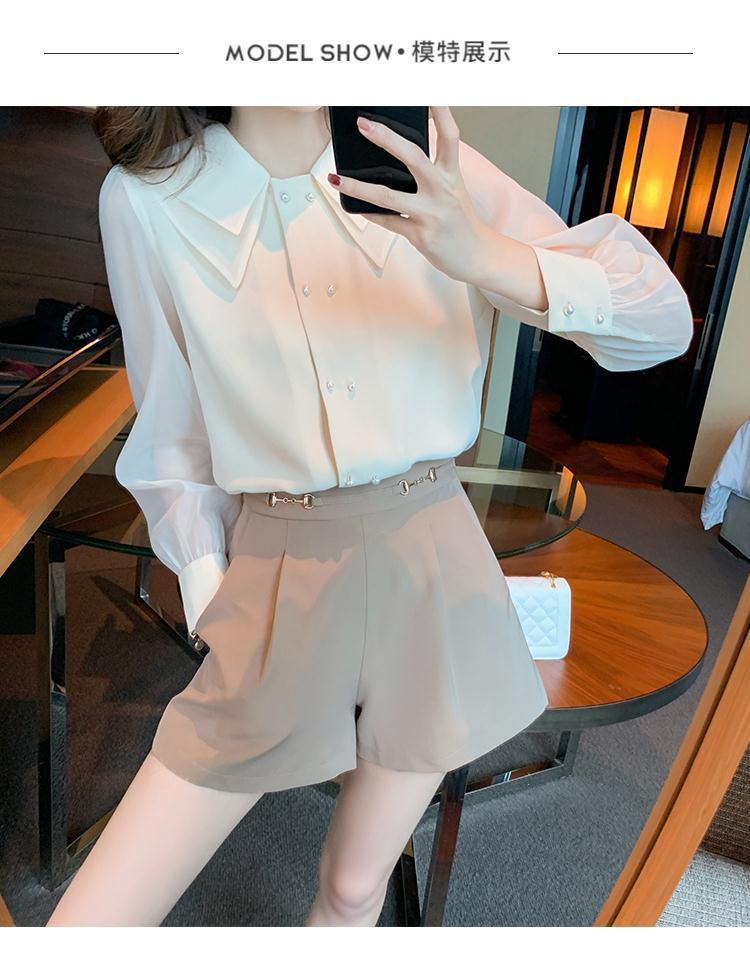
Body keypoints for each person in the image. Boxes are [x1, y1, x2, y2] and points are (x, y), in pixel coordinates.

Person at [46, 106, 693, 927]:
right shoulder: (147, 196)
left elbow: (662, 323)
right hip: (278, 569)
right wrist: (211, 593)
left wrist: (481, 254)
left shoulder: (424, 156)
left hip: (435, 558)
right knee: (95, 921)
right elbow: (172, 435)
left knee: (356, 887)